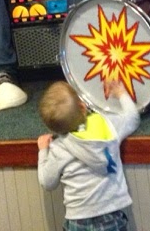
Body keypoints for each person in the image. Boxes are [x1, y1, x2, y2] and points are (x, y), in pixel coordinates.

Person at [37, 80, 140, 231]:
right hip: (111, 216)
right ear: (82, 107)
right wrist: (121, 93)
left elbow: (47, 182)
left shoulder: (58, 149)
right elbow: (132, 118)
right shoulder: (107, 127)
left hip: (77, 221)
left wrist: (43, 151)